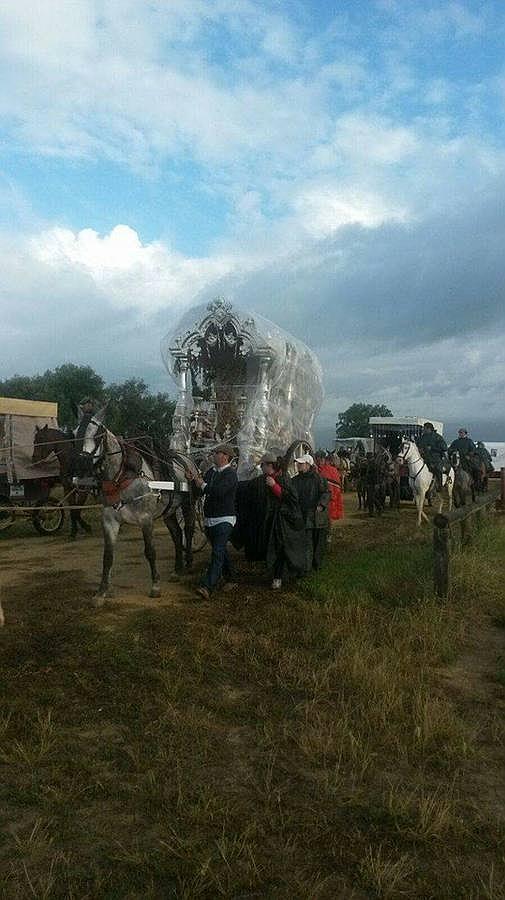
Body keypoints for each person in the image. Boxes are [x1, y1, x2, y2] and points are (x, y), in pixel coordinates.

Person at [190, 444, 238, 601]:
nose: (214, 455)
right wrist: (193, 480)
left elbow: (218, 491)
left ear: (225, 456)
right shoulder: (211, 472)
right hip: (210, 519)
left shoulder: (230, 474)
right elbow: (201, 489)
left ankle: (207, 586)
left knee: (216, 553)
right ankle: (231, 578)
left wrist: (202, 484)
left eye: (217, 453)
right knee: (221, 551)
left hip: (224, 519)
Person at [291, 453, 330, 571]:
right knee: (307, 541)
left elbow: (326, 493)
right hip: (303, 516)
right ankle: (306, 567)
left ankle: (316, 564)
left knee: (318, 542)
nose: (298, 465)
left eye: (301, 463)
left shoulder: (319, 479)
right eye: (298, 463)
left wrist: (321, 505)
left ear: (308, 465)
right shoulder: (295, 480)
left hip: (317, 517)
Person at [315, 450, 344, 522]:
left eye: (320, 459)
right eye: (317, 459)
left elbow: (335, 486)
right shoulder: (332, 470)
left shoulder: (331, 470)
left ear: (323, 459)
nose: (319, 461)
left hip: (329, 498)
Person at [418, 422, 447, 491]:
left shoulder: (437, 437)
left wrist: (432, 448)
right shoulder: (422, 437)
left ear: (429, 428)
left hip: (435, 459)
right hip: (423, 458)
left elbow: (444, 447)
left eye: (424, 428)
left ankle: (440, 486)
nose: (423, 429)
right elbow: (418, 445)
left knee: (438, 469)